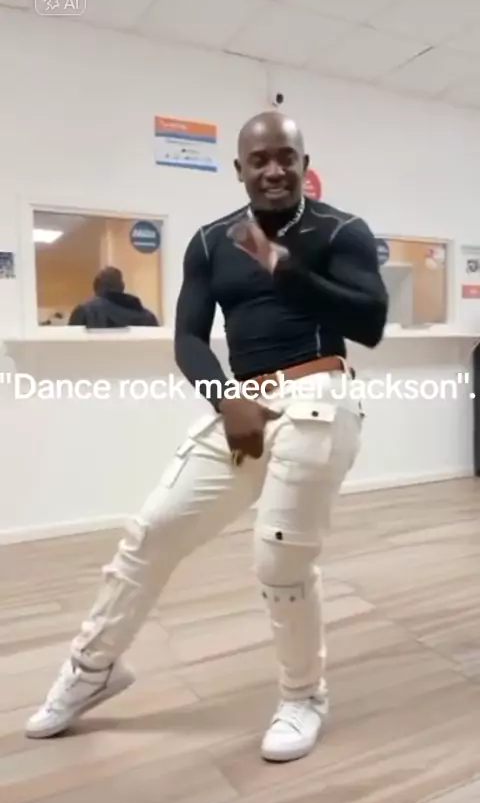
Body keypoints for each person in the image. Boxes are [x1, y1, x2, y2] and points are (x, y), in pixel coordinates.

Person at [25, 111, 388, 762]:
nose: (273, 170)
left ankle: (303, 695)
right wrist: (225, 399)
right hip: (241, 401)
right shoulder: (210, 241)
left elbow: (371, 323)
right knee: (152, 532)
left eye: (286, 157)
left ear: (304, 164)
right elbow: (188, 339)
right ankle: (91, 669)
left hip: (319, 390)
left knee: (280, 557)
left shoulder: (341, 230)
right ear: (239, 169)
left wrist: (287, 270)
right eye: (259, 159)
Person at [68, 266, 158, 327]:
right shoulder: (147, 317)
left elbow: (70, 345)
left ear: (96, 287)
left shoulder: (84, 311)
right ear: (122, 286)